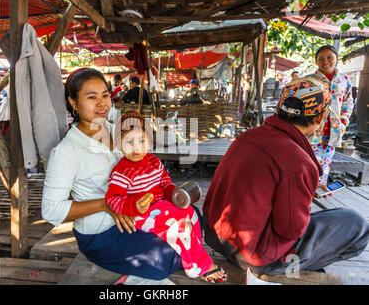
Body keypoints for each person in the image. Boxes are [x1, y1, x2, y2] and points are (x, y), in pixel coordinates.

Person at [202, 77, 369, 276]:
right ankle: (292, 269)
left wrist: (302, 188)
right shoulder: (299, 162)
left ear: (280, 108)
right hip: (254, 257)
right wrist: (302, 195)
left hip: (215, 236)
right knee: (356, 224)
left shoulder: (247, 137)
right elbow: (289, 230)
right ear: (320, 116)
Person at [41, 68, 185, 281]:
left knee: (190, 218)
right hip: (102, 233)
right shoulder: (66, 151)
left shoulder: (119, 131)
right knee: (162, 257)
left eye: (105, 95)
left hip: (137, 216)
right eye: (92, 97)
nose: (101, 104)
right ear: (73, 103)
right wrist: (107, 204)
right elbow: (51, 210)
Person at [105, 111, 228, 283]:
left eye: (141, 140)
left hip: (162, 206)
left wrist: (173, 193)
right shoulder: (122, 171)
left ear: (149, 141)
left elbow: (165, 182)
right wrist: (134, 206)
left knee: (191, 212)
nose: (136, 147)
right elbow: (113, 198)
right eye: (129, 142)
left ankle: (193, 253)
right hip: (141, 215)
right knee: (178, 223)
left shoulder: (154, 161)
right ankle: (197, 266)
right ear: (119, 144)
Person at [309, 44, 354, 185]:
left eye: (329, 57)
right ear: (316, 61)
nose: (325, 61)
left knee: (325, 166)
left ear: (337, 58)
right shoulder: (308, 80)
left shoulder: (344, 80)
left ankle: (319, 192)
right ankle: (305, 197)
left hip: (333, 132)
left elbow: (348, 103)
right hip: (311, 132)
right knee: (308, 165)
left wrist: (343, 122)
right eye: (321, 58)